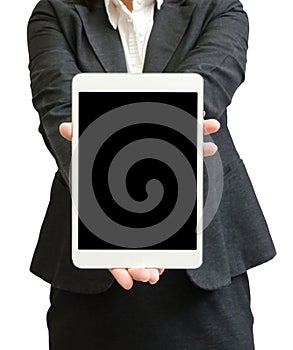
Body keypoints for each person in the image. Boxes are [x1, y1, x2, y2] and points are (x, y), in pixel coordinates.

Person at [27, 0, 276, 349]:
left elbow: (204, 88)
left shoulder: (218, 6)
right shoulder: (56, 11)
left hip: (205, 255)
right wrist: (111, 215)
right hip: (92, 262)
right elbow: (60, 110)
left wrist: (114, 155)